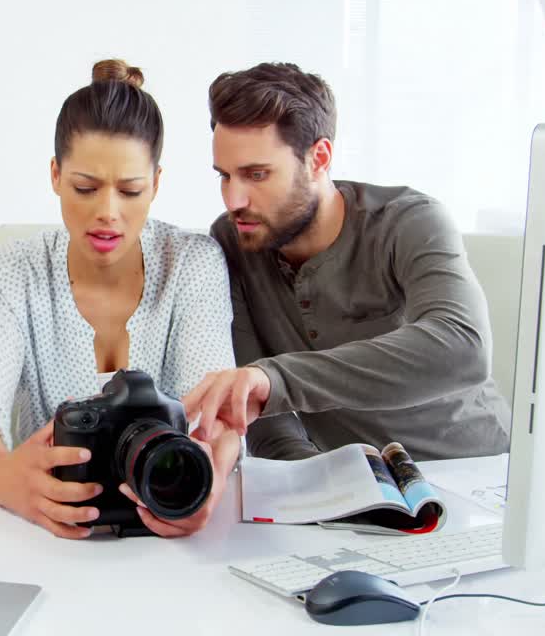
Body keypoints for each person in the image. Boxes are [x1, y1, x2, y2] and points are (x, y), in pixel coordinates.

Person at [0, 60, 239, 538]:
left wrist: (208, 483)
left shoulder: (194, 263)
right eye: (84, 188)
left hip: (165, 534)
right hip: (47, 538)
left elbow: (218, 416)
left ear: (157, 183)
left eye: (131, 191)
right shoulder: (15, 271)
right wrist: (4, 479)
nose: (107, 213)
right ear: (55, 175)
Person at [184, 62, 509, 462]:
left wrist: (279, 379)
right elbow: (256, 406)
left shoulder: (410, 221)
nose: (234, 200)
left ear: (318, 158)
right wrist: (313, 481)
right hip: (360, 487)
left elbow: (463, 346)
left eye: (257, 174)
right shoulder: (232, 242)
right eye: (225, 176)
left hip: (478, 472)